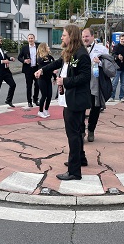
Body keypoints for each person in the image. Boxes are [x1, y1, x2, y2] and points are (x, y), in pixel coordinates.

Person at [34, 24, 91, 180]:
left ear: (71, 36)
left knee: (73, 134)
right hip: (70, 99)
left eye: (64, 35)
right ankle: (81, 159)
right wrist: (42, 70)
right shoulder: (69, 52)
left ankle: (74, 172)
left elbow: (85, 77)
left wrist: (64, 81)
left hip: (76, 100)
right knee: (77, 131)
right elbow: (57, 63)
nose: (61, 37)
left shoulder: (81, 54)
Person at [81, 28, 116, 142]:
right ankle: (81, 131)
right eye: (83, 37)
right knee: (80, 108)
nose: (85, 39)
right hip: (82, 83)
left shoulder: (102, 49)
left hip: (95, 83)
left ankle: (91, 130)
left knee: (95, 108)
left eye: (87, 36)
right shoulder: (79, 49)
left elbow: (110, 67)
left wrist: (100, 63)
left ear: (92, 36)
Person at [0, 35, 16, 110]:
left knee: (13, 85)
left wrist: (10, 58)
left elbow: (5, 57)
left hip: (6, 71)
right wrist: (2, 61)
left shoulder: (1, 48)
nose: (1, 39)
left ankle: (8, 100)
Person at [18, 34, 39, 107]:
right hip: (28, 69)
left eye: (32, 38)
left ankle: (35, 99)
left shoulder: (38, 47)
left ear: (34, 39)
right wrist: (24, 61)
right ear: (27, 39)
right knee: (29, 86)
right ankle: (29, 101)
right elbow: (19, 57)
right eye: (29, 38)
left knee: (37, 85)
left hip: (36, 68)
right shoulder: (24, 48)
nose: (30, 40)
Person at [36, 42, 55, 118]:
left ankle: (46, 109)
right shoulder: (40, 59)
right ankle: (40, 111)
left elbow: (53, 66)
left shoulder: (50, 57)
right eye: (47, 46)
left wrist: (54, 77)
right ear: (43, 48)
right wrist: (52, 70)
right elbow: (45, 68)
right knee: (44, 95)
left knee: (49, 95)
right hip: (42, 79)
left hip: (48, 79)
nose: (49, 47)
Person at [109, 34, 124, 102]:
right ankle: (112, 96)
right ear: (119, 39)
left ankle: (121, 97)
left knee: (123, 84)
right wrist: (118, 56)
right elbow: (113, 55)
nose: (123, 40)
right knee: (114, 83)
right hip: (117, 67)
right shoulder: (116, 47)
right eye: (122, 39)